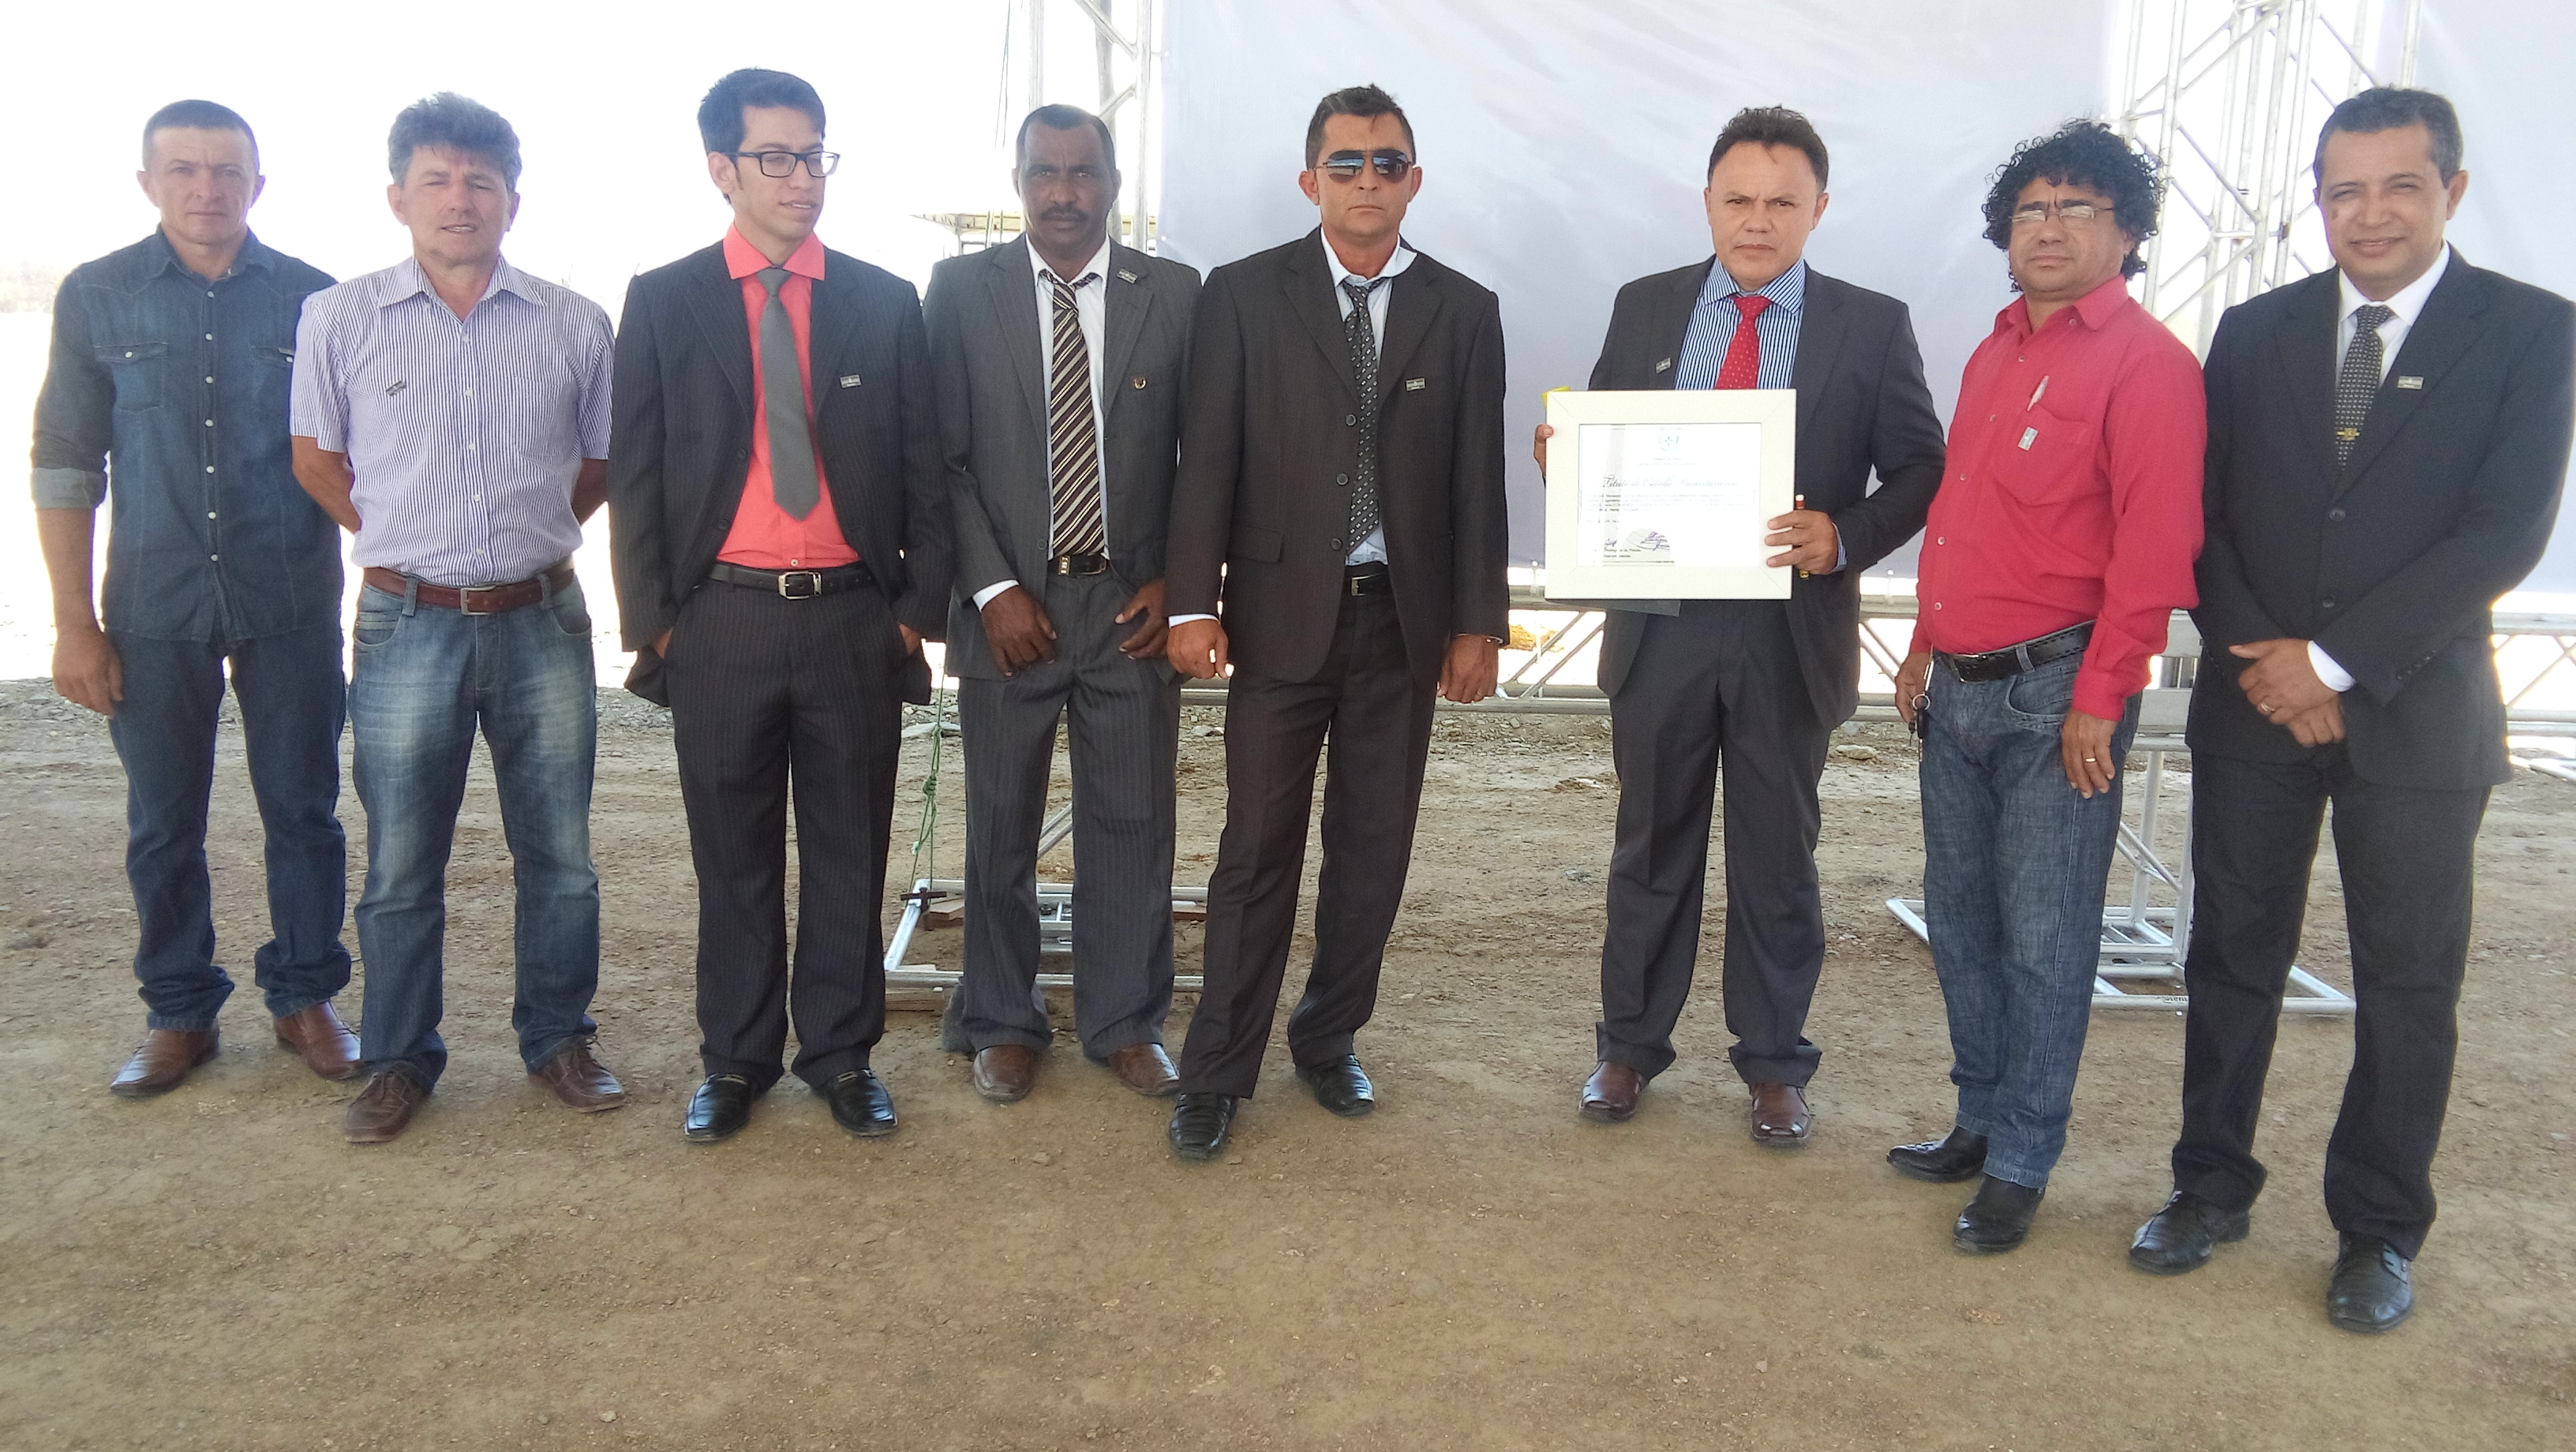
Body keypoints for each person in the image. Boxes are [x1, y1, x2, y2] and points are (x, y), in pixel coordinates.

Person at [2130, 88, 2571, 1333]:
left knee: (2408, 978)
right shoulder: (2253, 330)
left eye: (2400, 186)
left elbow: (2504, 531)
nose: (2370, 214)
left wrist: (2328, 665)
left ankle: (2378, 1229)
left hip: (2418, 716)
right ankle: (2208, 1185)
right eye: (2345, 190)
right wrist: (2268, 664)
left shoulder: (2532, 331)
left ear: (2452, 191)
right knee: (2231, 955)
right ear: (2317, 199)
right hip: (2252, 709)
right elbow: (2204, 513)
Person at [1535, 107, 1946, 1144]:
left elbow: (1922, 467)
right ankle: (1628, 1048)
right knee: (1650, 845)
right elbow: (1611, 448)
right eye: (1739, 200)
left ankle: (1773, 1063)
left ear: (1819, 208)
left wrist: (1844, 535)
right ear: (1708, 202)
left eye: (1781, 202)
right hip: (1659, 627)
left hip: (1789, 635)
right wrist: (1571, 463)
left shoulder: (1871, 323)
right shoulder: (1646, 305)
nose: (1757, 222)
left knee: (1778, 858)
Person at [1162, 84, 1507, 1161]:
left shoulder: (1464, 308)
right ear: (1310, 179)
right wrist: (1192, 600)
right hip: (1276, 623)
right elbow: (1206, 458)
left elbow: (1477, 482)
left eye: (1387, 162)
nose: (1367, 180)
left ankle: (1327, 1038)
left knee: (1372, 850)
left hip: (1401, 627)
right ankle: (1217, 1070)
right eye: (1346, 163)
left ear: (1415, 180)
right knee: (1255, 851)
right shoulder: (1242, 294)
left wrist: (1479, 622)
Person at [608, 69, 952, 1143]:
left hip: (854, 617)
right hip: (723, 619)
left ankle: (842, 1056)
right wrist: (660, 623)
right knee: (734, 856)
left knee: (849, 850)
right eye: (776, 158)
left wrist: (911, 611)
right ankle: (736, 1059)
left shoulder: (882, 301)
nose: (803, 178)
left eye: (815, 155)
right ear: (722, 169)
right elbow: (636, 475)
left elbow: (926, 467)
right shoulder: (664, 300)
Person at [1886, 120, 2203, 1251]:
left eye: (2077, 207)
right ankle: (1977, 1118)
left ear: (2128, 229)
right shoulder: (1994, 351)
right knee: (1961, 922)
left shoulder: (2150, 366)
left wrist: (2102, 697)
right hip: (1957, 688)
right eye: (2031, 209)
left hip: (2057, 696)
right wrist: (1922, 642)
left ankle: (2023, 1159)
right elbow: (1958, 518)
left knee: (2046, 937)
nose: (2050, 227)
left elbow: (2155, 551)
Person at [290, 93, 622, 1143]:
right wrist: (404, 540)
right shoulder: (338, 319)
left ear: (513, 200)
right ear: (398, 198)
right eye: (436, 180)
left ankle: (559, 1038)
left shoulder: (575, 323)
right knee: (400, 862)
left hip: (541, 618)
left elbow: (601, 462)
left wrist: (521, 542)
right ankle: (397, 1059)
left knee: (560, 855)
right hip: (405, 622)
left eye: (481, 181)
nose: (459, 199)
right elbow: (317, 461)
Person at [34, 101, 354, 1097]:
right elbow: (64, 462)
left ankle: (305, 995)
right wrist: (74, 624)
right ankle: (178, 1010)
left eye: (227, 171)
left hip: (290, 596)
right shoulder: (98, 296)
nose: (207, 189)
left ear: (258, 184)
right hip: (153, 600)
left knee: (304, 809)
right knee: (163, 819)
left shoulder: (314, 299)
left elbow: (363, 451)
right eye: (184, 169)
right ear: (148, 182)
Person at [927, 105, 1200, 1104]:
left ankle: (1125, 1022)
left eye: (1083, 172)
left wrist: (1179, 580)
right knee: (1000, 825)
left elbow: (1206, 455)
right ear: (1018, 182)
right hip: (1011, 609)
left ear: (1114, 183)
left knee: (1132, 824)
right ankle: (1003, 1020)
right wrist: (993, 588)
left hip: (1130, 609)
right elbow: (940, 458)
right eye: (1044, 172)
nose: (1064, 192)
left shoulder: (1174, 293)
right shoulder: (961, 291)